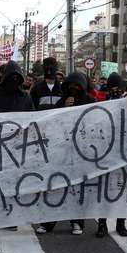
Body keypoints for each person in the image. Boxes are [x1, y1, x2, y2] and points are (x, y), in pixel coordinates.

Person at [36, 72, 95, 236]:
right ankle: (48, 223)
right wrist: (64, 108)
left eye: (77, 86)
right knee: (55, 187)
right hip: (60, 151)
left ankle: (77, 221)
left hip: (80, 152)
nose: (73, 89)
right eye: (71, 86)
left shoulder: (90, 101)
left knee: (76, 188)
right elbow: (52, 122)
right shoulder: (62, 101)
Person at [96, 73, 127, 237]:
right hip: (106, 151)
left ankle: (121, 223)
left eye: (118, 88)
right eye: (112, 88)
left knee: (122, 189)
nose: (115, 90)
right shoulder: (102, 101)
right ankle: (102, 224)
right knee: (104, 189)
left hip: (123, 151)